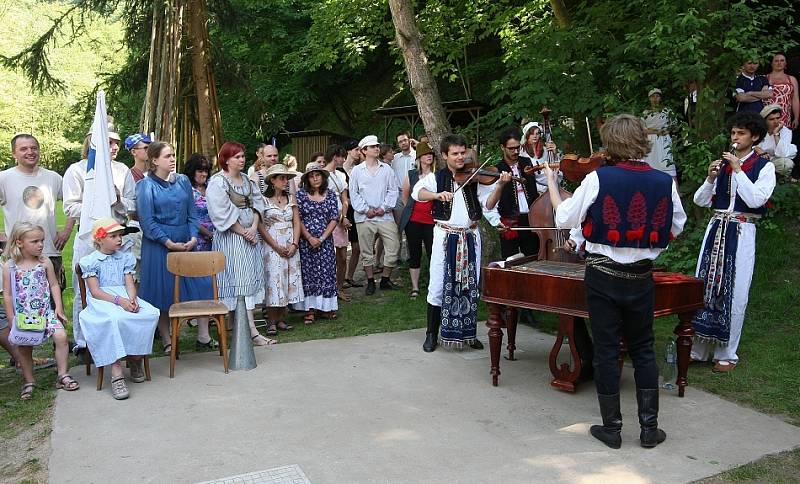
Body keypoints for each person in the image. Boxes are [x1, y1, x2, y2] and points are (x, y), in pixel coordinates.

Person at [542, 113, 686, 450]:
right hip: (641, 277)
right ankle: (649, 429)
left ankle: (612, 429)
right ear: (641, 140)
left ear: (611, 144)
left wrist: (552, 181)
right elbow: (676, 227)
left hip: (603, 276)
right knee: (643, 350)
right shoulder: (664, 181)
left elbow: (564, 217)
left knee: (607, 351)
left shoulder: (598, 178)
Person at [691, 112, 776, 373]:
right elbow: (700, 201)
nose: (735, 138)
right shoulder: (723, 166)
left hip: (741, 230)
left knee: (735, 291)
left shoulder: (765, 167)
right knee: (705, 285)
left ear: (755, 137)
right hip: (716, 228)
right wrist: (710, 178)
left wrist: (738, 170)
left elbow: (756, 200)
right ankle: (699, 348)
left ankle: (727, 353)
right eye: (733, 133)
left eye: (741, 133)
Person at [411, 134, 502, 352]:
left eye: (463, 152)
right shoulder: (438, 177)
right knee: (438, 284)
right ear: (444, 156)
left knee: (470, 285)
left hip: (470, 236)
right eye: (455, 153)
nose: (460, 157)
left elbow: (489, 205)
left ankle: (468, 335)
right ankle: (431, 334)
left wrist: (500, 186)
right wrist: (436, 194)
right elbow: (417, 193)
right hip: (445, 236)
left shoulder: (475, 177)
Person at [136, 141, 215, 355]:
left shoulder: (182, 182)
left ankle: (203, 335)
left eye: (173, 155)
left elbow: (192, 214)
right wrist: (167, 242)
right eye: (167, 156)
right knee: (162, 291)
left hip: (186, 241)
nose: (172, 159)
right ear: (154, 160)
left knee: (202, 285)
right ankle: (167, 337)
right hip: (159, 245)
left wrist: (192, 236)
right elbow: (147, 221)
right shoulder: (145, 186)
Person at [63, 127, 136, 346]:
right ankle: (84, 341)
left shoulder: (122, 170)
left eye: (117, 143)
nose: (114, 147)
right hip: (89, 240)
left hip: (117, 241)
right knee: (83, 290)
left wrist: (117, 200)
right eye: (110, 142)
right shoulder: (77, 170)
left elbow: (132, 205)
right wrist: (97, 202)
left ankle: (121, 336)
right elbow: (69, 207)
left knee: (121, 286)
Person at [77, 218, 159, 400]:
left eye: (120, 235)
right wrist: (119, 301)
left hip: (123, 296)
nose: (119, 239)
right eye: (113, 236)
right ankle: (116, 372)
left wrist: (132, 299)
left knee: (150, 313)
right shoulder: (91, 261)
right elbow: (96, 291)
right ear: (99, 239)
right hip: (103, 300)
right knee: (113, 319)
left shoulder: (125, 258)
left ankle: (135, 357)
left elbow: (129, 283)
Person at [206, 141, 274, 346]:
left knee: (250, 279)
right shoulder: (218, 182)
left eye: (243, 156)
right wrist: (243, 232)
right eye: (237, 157)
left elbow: (257, 204)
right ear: (226, 159)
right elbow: (220, 213)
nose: (242, 160)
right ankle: (250, 332)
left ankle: (244, 330)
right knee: (239, 281)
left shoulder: (246, 180)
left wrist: (253, 228)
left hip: (250, 237)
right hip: (231, 239)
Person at [3, 222, 78, 400]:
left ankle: (62, 375)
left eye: (42, 240)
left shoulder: (45, 263)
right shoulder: (10, 266)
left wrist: (58, 307)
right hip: (24, 315)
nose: (40, 245)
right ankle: (29, 381)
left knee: (61, 337)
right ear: (19, 242)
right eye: (35, 241)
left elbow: (54, 285)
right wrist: (11, 317)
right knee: (24, 347)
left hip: (46, 312)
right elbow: (7, 295)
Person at [0, 134, 72, 292]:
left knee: (53, 301)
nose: (30, 152)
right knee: (21, 303)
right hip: (17, 254)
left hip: (49, 251)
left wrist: (67, 230)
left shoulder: (53, 178)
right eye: (23, 149)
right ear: (14, 154)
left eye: (33, 148)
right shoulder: (4, 178)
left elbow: (73, 203)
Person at [349, 135, 400, 295]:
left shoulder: (387, 169)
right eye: (372, 146)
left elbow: (393, 191)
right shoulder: (357, 171)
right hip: (365, 218)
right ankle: (370, 281)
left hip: (384, 216)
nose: (376, 148)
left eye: (377, 146)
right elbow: (354, 194)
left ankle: (385, 279)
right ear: (364, 150)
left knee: (393, 247)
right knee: (366, 251)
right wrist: (366, 209)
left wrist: (383, 208)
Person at [494, 128, 552, 259]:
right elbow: (490, 202)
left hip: (531, 218)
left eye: (517, 148)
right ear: (502, 147)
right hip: (509, 221)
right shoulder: (497, 169)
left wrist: (553, 165)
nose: (515, 151)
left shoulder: (526, 163)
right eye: (511, 148)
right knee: (510, 260)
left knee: (534, 256)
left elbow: (546, 179)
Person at [260, 163, 304, 334]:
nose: (286, 181)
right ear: (272, 180)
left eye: (286, 178)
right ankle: (271, 320)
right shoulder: (263, 200)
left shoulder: (291, 198)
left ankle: (281, 318)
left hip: (289, 241)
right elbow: (261, 226)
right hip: (272, 243)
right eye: (282, 178)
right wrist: (275, 246)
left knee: (287, 278)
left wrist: (294, 243)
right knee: (274, 280)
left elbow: (297, 222)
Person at [296, 161, 339, 323]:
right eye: (312, 176)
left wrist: (321, 238)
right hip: (306, 241)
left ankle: (326, 307)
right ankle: (310, 309)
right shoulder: (300, 195)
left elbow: (334, 218)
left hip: (325, 241)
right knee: (309, 274)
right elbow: (297, 218)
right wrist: (309, 237)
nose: (315, 178)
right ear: (307, 179)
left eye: (318, 175)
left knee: (326, 272)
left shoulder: (331, 194)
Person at [399, 141, 436, 300]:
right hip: (414, 221)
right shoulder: (411, 174)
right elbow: (405, 196)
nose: (429, 156)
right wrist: (412, 211)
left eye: (431, 154)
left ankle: (433, 286)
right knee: (415, 253)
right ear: (419, 157)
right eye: (426, 154)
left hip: (432, 221)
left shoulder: (437, 174)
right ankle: (415, 287)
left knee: (433, 253)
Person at [323, 145, 353, 301]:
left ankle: (339, 287)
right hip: (328, 221)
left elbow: (345, 198)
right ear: (335, 157)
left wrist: (344, 216)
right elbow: (324, 201)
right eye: (342, 157)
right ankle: (328, 287)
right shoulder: (322, 176)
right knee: (329, 256)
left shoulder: (340, 175)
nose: (343, 159)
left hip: (341, 219)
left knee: (342, 256)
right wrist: (341, 218)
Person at [642, 88, 678, 182]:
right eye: (652, 96)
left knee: (667, 164)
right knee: (651, 164)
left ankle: (674, 192)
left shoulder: (667, 111)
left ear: (660, 98)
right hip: (650, 140)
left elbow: (675, 126)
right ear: (649, 98)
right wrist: (656, 132)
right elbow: (642, 129)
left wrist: (667, 130)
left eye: (657, 96)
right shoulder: (645, 113)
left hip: (664, 140)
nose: (655, 98)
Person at [340, 140, 362, 289]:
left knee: (357, 247)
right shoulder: (339, 171)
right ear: (348, 151)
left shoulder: (359, 169)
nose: (358, 152)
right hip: (342, 211)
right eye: (356, 149)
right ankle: (339, 279)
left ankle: (350, 276)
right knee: (340, 249)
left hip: (356, 211)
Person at [183, 154, 215, 251]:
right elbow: (186, 217)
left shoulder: (212, 186)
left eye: (206, 171)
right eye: (200, 171)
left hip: (217, 238)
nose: (204, 174)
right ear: (192, 171)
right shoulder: (185, 189)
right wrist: (208, 234)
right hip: (195, 239)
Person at [755, 104, 797, 178]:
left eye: (778, 118)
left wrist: (776, 134)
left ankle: (780, 180)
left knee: (786, 163)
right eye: (771, 119)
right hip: (757, 159)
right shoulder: (758, 130)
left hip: (774, 159)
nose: (776, 121)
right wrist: (757, 149)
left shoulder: (786, 132)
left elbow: (783, 154)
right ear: (764, 120)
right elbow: (748, 144)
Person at [766, 53, 799, 130]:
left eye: (782, 60)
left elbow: (795, 99)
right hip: (768, 115)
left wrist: (796, 118)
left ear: (785, 63)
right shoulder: (764, 78)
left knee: (784, 140)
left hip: (785, 116)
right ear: (771, 63)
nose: (779, 63)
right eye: (776, 61)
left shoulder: (792, 79)